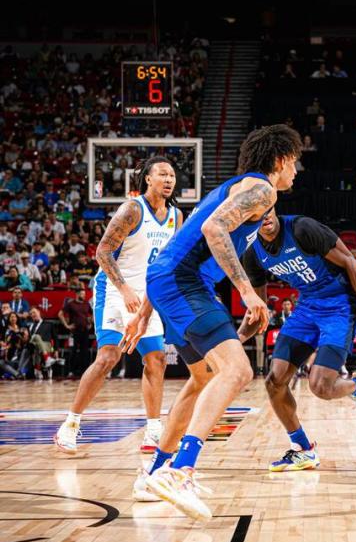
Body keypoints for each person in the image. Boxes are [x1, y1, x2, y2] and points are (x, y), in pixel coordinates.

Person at [124, 124, 302, 520]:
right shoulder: (261, 189)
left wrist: (145, 311)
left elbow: (172, 251)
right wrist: (247, 292)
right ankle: (182, 471)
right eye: (295, 161)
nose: (298, 171)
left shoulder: (239, 189)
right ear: (281, 159)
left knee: (204, 378)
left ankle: (155, 473)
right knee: (238, 372)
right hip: (184, 282)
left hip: (169, 281)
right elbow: (212, 229)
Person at [55, 157, 181, 456]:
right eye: (162, 174)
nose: (169, 179)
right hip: (114, 288)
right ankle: (70, 425)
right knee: (108, 357)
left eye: (173, 175)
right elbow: (102, 252)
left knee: (157, 358)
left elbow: (168, 262)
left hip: (146, 294)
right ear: (147, 179)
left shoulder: (176, 215)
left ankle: (153, 430)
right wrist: (123, 288)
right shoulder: (132, 209)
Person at [240, 209, 356, 472]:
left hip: (340, 305)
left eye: (268, 209)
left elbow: (351, 262)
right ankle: (303, 449)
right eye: (257, 213)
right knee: (275, 381)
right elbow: (257, 310)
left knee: (320, 386)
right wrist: (235, 343)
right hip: (306, 307)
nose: (266, 216)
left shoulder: (302, 229)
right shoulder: (252, 252)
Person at [58, 287, 92, 377]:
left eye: (84, 294)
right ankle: (71, 371)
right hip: (74, 331)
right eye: (82, 294)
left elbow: (92, 314)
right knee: (73, 351)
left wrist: (90, 323)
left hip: (85, 331)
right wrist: (66, 325)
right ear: (77, 294)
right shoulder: (71, 304)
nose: (84, 296)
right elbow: (60, 314)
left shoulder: (87, 304)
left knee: (84, 352)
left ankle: (84, 371)